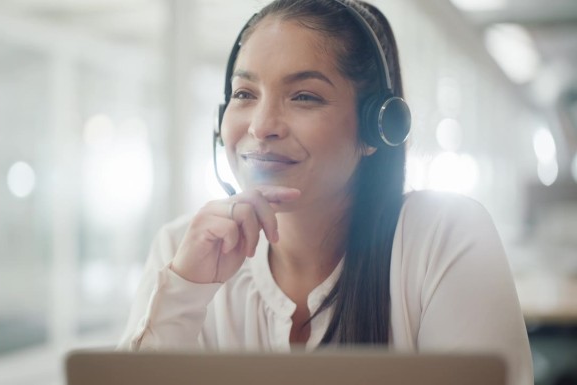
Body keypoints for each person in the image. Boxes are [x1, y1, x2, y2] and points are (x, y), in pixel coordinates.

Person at [118, 0, 533, 384]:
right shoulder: (183, 248)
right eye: (245, 94)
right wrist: (184, 292)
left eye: (304, 96)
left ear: (376, 128)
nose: (262, 126)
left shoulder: (442, 238)